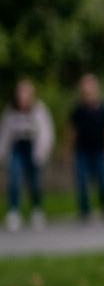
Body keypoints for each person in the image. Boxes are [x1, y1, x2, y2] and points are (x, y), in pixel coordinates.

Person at [0, 80, 54, 232]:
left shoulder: (39, 110)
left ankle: (37, 210)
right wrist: (2, 154)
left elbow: (46, 133)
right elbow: (5, 134)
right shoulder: (10, 111)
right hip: (17, 147)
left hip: (33, 146)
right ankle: (14, 212)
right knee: (14, 179)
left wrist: (41, 153)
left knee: (35, 181)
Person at [69, 74, 104, 222]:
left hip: (99, 149)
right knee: (81, 181)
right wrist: (68, 150)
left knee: (102, 180)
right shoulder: (78, 111)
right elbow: (72, 131)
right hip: (82, 150)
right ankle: (85, 211)